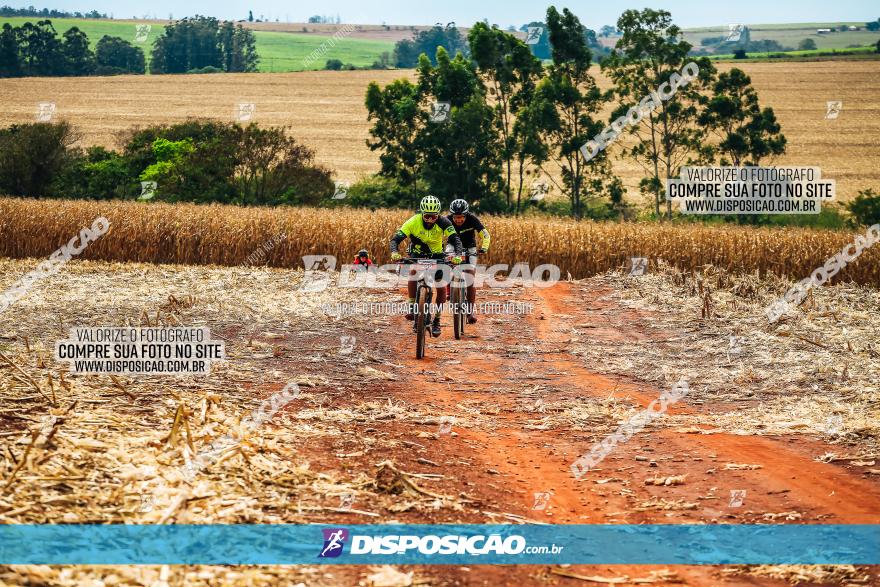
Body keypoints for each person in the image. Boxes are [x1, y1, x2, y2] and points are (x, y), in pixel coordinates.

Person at [390, 195, 463, 337]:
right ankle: (412, 307)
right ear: (422, 213)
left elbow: (456, 240)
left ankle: (436, 319)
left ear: (438, 215)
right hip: (417, 254)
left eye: (433, 217)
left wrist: (458, 255)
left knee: (441, 287)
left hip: (437, 255)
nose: (430, 220)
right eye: (427, 216)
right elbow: (396, 239)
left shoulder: (444, 222)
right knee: (413, 273)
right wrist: (394, 252)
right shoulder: (412, 221)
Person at [445, 198, 490, 324]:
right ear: (451, 216)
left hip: (470, 247)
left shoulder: (472, 219)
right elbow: (436, 233)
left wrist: (484, 247)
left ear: (466, 215)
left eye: (461, 217)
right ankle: (449, 289)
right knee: (447, 265)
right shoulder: (446, 220)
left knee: (470, 276)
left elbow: (485, 234)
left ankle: (470, 312)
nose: (459, 220)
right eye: (456, 217)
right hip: (453, 246)